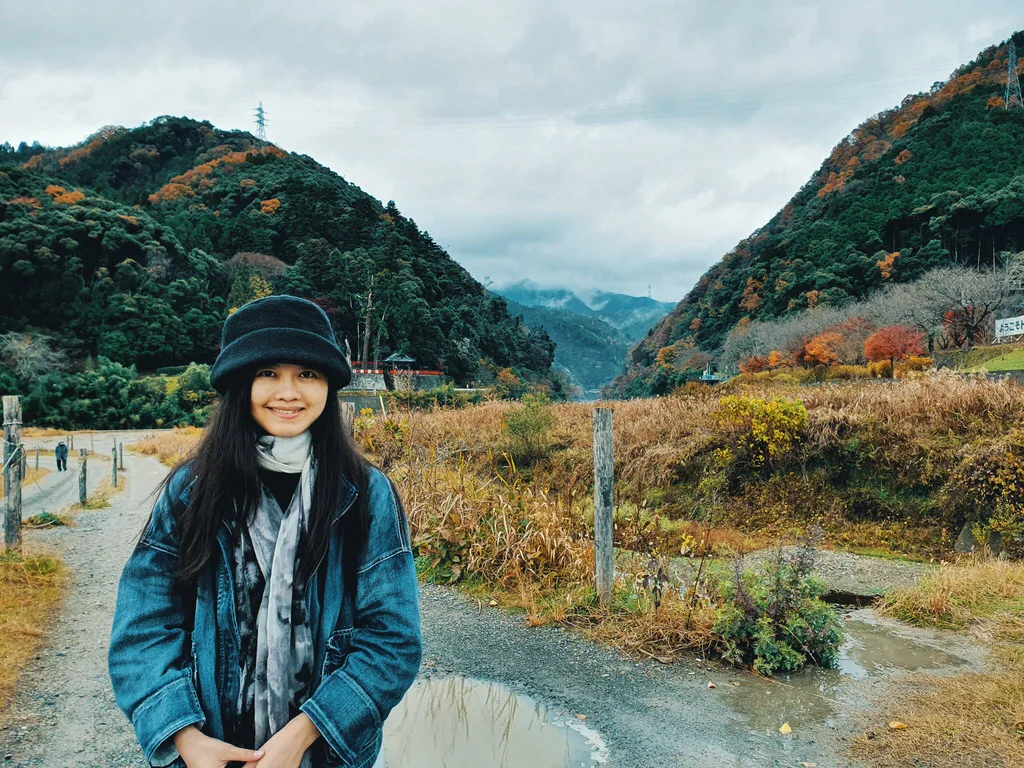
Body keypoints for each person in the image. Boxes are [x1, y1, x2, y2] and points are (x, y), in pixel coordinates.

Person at [108, 295, 421, 768]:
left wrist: (303, 736)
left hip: (326, 754)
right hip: (210, 752)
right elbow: (145, 623)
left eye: (307, 374)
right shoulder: (192, 489)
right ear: (240, 381)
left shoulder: (364, 493)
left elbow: (392, 639)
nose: (289, 393)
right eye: (268, 373)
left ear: (329, 386)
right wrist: (185, 738)